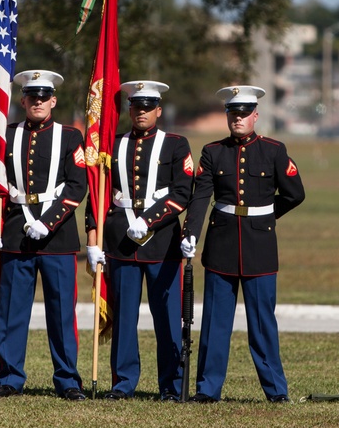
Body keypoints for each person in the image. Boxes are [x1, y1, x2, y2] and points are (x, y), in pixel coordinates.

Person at [180, 85, 305, 404]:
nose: (238, 119)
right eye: (233, 113)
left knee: (263, 324)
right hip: (221, 244)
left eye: (244, 113)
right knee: (214, 324)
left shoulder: (274, 150)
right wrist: (190, 232)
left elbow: (295, 193)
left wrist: (266, 216)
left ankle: (276, 391)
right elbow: (201, 196)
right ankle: (208, 389)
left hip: (259, 245)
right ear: (227, 116)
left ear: (255, 116)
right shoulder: (212, 152)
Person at [85, 80, 194, 402]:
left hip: (161, 242)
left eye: (148, 107)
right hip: (121, 241)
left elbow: (182, 192)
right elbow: (98, 195)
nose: (142, 112)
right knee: (123, 317)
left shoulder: (175, 144)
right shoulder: (113, 144)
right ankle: (123, 383)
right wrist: (93, 239)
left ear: (159, 110)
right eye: (136, 107)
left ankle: (171, 385)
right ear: (129, 110)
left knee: (167, 319)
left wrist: (149, 219)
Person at [0, 70, 89, 401]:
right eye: (33, 97)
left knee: (61, 314)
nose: (38, 102)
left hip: (57, 238)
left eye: (44, 97)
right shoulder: (6, 135)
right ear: (23, 100)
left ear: (53, 101)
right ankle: (10, 377)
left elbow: (77, 185)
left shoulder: (70, 137)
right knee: (12, 312)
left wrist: (49, 220)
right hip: (15, 233)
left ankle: (68, 379)